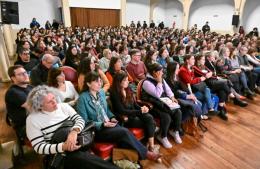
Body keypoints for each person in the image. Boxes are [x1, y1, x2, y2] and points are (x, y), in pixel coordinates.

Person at [26, 85, 119, 169]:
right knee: (84, 159)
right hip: (58, 153)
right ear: (39, 106)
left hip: (77, 141)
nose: (55, 102)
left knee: (85, 159)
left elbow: (80, 120)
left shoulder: (63, 107)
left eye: (54, 98)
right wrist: (63, 146)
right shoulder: (32, 120)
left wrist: (74, 132)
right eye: (50, 102)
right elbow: (39, 147)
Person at [77, 72, 162, 162]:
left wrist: (112, 117)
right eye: (96, 81)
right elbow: (85, 121)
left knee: (124, 141)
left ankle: (134, 161)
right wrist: (102, 124)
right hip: (97, 130)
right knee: (124, 132)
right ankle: (147, 154)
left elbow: (106, 111)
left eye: (100, 81)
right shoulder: (82, 98)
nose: (99, 84)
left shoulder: (101, 93)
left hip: (109, 123)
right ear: (88, 84)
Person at [110, 71, 158, 152]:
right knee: (151, 122)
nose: (127, 82)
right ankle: (151, 147)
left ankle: (150, 146)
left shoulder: (128, 89)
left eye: (127, 80)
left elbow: (134, 104)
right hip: (127, 118)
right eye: (125, 80)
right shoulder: (114, 93)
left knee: (149, 117)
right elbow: (122, 110)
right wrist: (139, 112)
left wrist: (142, 108)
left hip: (135, 113)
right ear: (119, 81)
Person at [141, 63, 183, 148]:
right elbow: (158, 94)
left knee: (178, 111)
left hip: (163, 103)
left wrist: (172, 97)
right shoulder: (146, 82)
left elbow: (168, 89)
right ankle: (162, 136)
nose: (162, 73)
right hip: (153, 105)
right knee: (166, 116)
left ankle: (175, 131)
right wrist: (159, 82)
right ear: (154, 72)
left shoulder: (161, 78)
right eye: (160, 71)